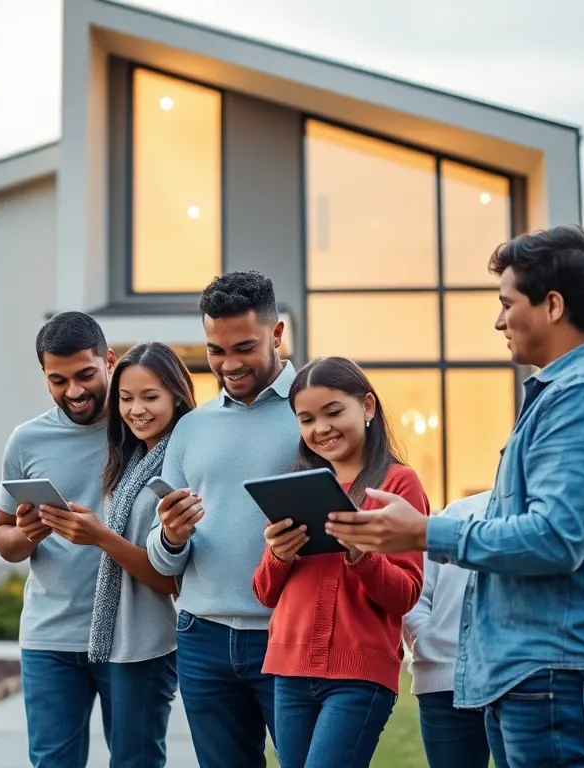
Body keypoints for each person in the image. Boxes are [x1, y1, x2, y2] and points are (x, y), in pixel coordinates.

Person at [326, 224, 584, 768]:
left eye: (507, 303)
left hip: (559, 676)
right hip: (542, 677)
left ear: (552, 305)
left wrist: (421, 531)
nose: (498, 320)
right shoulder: (572, 396)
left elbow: (555, 538)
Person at [145, 270, 300, 768]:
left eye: (244, 347)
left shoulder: (314, 409)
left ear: (277, 335)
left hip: (290, 631)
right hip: (202, 637)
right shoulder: (191, 427)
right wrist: (171, 535)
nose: (229, 364)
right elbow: (163, 558)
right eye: (216, 350)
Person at [252, 357, 427, 768]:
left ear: (367, 407)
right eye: (307, 419)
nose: (321, 428)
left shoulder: (399, 484)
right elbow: (264, 592)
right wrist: (279, 555)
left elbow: (404, 595)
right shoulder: (293, 486)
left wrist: (360, 554)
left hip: (359, 676)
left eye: (333, 412)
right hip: (289, 670)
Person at [33, 341, 193, 768]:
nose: (136, 409)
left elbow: (171, 580)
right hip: (119, 638)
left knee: (134, 760)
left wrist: (101, 536)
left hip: (146, 642)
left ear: (178, 395)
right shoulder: (131, 458)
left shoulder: (182, 459)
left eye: (150, 397)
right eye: (125, 398)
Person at [0, 311, 119, 768]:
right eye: (58, 380)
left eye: (85, 374)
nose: (75, 391)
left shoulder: (139, 429)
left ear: (109, 360)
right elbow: (2, 537)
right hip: (50, 637)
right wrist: (26, 535)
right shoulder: (26, 441)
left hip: (129, 636)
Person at [402, 491, 492, 768]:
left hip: (520, 683)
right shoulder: (457, 511)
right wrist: (426, 638)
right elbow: (417, 592)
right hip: (443, 684)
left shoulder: (546, 519)